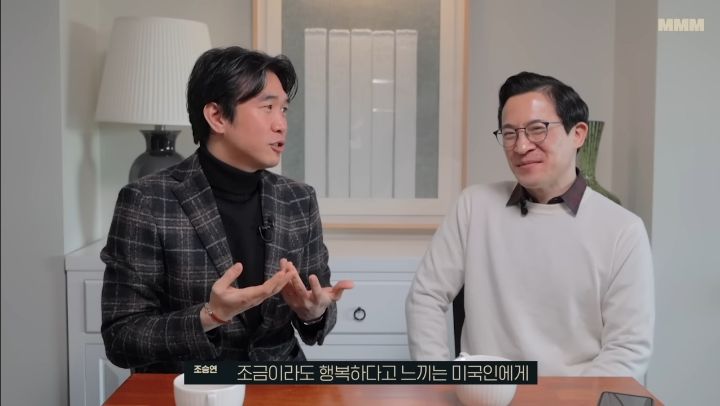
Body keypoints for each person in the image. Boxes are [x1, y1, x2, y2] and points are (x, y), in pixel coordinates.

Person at [101, 46, 353, 372]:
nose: (281, 124)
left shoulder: (298, 200)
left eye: (284, 109)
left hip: (278, 381)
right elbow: (121, 337)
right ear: (217, 117)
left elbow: (318, 305)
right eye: (267, 107)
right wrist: (210, 316)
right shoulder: (148, 201)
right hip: (188, 384)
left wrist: (313, 313)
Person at [405, 71, 654, 381]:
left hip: (575, 398)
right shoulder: (473, 206)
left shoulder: (623, 230)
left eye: (538, 130)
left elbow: (627, 348)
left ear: (578, 134)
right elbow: (425, 297)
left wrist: (572, 400)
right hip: (485, 394)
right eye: (509, 133)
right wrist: (439, 380)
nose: (521, 146)